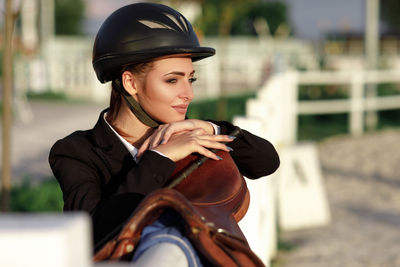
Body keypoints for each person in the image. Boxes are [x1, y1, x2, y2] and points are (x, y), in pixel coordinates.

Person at [49, 2, 279, 266]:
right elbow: (93, 234)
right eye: (172, 80)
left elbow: (267, 161)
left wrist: (213, 129)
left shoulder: (192, 135)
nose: (189, 94)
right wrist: (160, 157)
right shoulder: (75, 152)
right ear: (130, 83)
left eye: (190, 79)